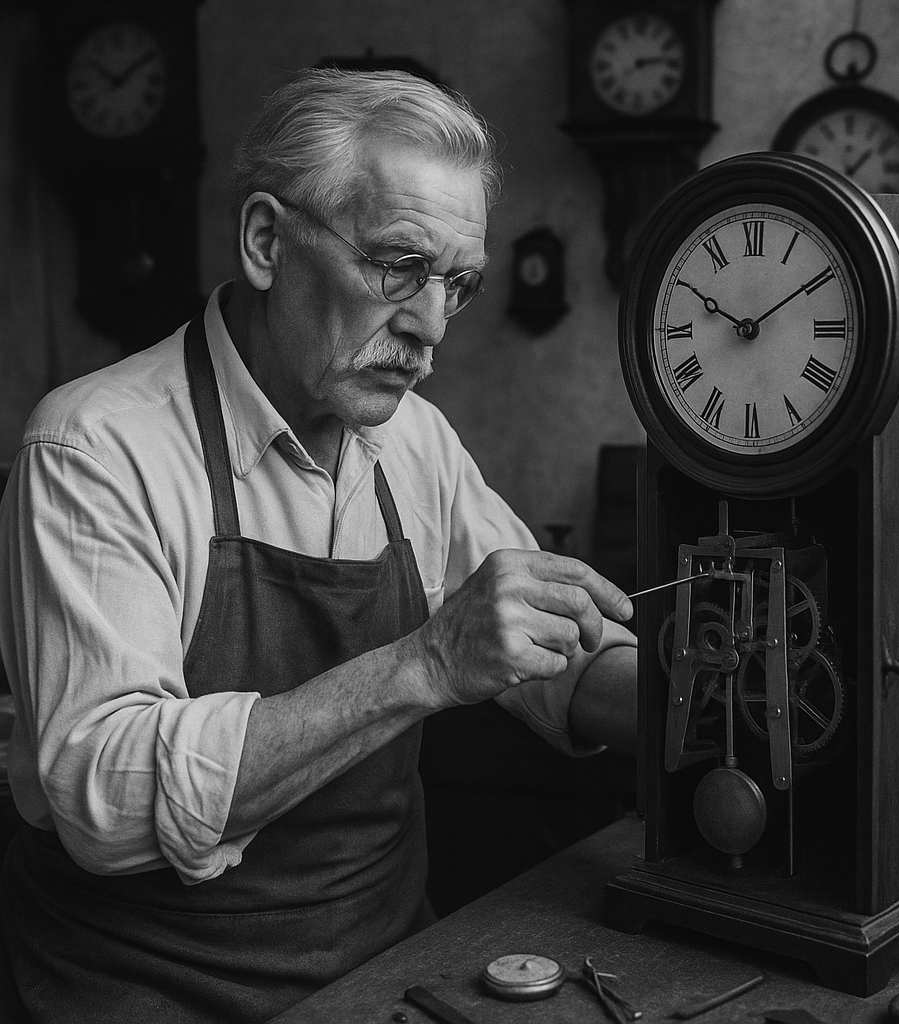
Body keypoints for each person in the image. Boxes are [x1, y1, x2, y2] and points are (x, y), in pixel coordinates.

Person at [0, 67, 637, 1022]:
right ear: (267, 241)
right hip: (139, 990)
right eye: (396, 266)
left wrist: (700, 700)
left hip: (380, 976)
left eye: (456, 285)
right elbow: (105, 794)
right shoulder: (95, 446)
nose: (430, 329)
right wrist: (421, 662)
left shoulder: (412, 439)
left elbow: (553, 658)